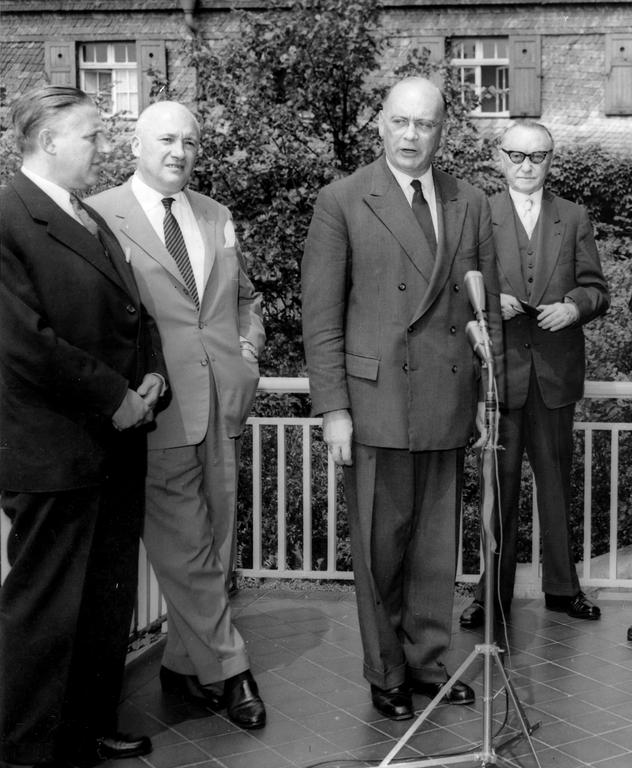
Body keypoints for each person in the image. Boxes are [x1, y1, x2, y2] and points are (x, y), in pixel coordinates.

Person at [301, 76, 503, 721]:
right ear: (380, 125)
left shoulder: (468, 200)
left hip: (446, 399)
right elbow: (321, 316)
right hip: (375, 400)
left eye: (426, 124)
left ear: (443, 130)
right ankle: (385, 669)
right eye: (400, 122)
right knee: (382, 547)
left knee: (433, 548)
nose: (412, 136)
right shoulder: (343, 199)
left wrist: (480, 392)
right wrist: (333, 407)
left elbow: (483, 309)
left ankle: (426, 660)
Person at [0, 86, 167, 768]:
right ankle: (26, 751)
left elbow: (135, 312)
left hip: (112, 449)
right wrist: (115, 398)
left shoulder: (87, 217)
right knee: (45, 611)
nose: (103, 148)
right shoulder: (9, 217)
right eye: (92, 136)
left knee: (104, 603)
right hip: (55, 452)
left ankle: (87, 728)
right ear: (49, 142)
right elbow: (24, 343)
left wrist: (152, 378)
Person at [88, 101, 267, 729]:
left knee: (218, 541)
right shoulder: (100, 214)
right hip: (158, 410)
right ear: (135, 144)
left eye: (191, 141)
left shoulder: (216, 215)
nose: (180, 151)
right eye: (166, 138)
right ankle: (231, 668)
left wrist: (248, 349)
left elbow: (246, 298)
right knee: (185, 546)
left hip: (223, 403)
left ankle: (182, 666)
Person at [459, 121, 610, 631]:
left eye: (538, 156)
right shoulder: (477, 213)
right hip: (498, 377)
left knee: (556, 488)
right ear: (499, 158)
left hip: (553, 376)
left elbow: (596, 289)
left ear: (551, 160)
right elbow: (456, 288)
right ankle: (489, 596)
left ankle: (564, 589)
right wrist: (487, 301)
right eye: (517, 155)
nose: (527, 165)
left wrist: (573, 307)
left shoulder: (575, 217)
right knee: (495, 494)